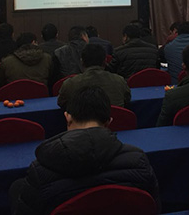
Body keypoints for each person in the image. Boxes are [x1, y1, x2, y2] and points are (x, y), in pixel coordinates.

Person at [9, 86, 160, 215]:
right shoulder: (139, 161)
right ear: (109, 122)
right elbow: (154, 208)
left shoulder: (40, 172)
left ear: (68, 118)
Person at [57, 44, 130, 110]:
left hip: (82, 120)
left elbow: (62, 103)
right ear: (105, 61)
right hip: (114, 120)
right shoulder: (120, 81)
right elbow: (127, 99)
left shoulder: (70, 84)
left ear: (82, 62)